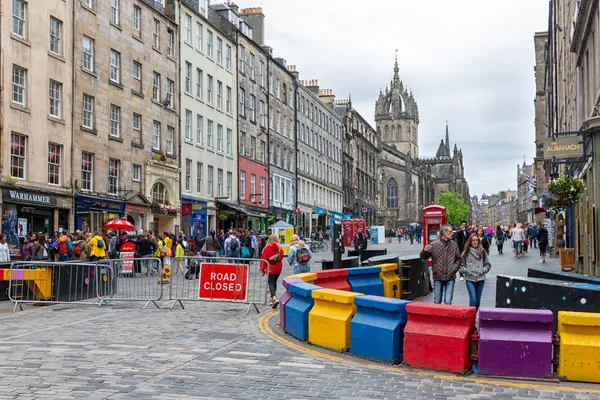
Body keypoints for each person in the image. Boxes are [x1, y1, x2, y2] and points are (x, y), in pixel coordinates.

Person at [420, 224, 462, 305]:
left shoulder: (454, 244)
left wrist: (454, 268)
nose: (452, 233)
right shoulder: (434, 244)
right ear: (444, 232)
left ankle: (446, 318)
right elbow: (423, 257)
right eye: (450, 232)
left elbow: (459, 259)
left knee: (448, 301)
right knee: (437, 301)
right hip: (438, 277)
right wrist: (424, 251)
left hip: (450, 277)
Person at [460, 233, 491, 310]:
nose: (475, 242)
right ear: (470, 241)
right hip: (470, 278)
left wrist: (483, 270)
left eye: (477, 240)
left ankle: (473, 314)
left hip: (480, 278)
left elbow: (488, 264)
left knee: (477, 302)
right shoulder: (466, 252)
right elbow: (460, 265)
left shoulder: (482, 251)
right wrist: (466, 271)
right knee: (473, 300)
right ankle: (471, 318)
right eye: (473, 240)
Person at [260, 234, 285, 308]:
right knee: (274, 283)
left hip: (270, 267)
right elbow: (281, 257)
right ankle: (272, 299)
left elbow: (264, 260)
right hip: (278, 268)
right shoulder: (280, 248)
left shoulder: (266, 248)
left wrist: (262, 269)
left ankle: (274, 297)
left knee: (270, 283)